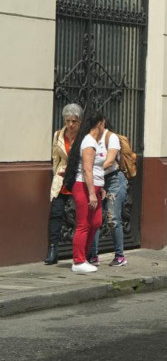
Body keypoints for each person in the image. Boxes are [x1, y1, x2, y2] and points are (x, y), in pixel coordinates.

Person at [61, 110, 114, 274]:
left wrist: (100, 188)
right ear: (99, 124)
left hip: (94, 187)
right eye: (103, 124)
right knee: (83, 224)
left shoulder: (94, 141)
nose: (104, 127)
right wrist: (91, 193)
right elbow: (87, 168)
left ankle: (84, 256)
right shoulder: (89, 142)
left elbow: (96, 169)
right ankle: (78, 261)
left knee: (96, 222)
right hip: (83, 187)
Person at [44, 103, 83, 265]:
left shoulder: (84, 137)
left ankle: (82, 252)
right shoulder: (58, 135)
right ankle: (53, 249)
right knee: (56, 214)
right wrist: (57, 176)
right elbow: (56, 159)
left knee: (81, 216)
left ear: (79, 121)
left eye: (74, 121)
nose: (70, 125)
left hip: (78, 178)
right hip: (61, 180)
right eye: (68, 121)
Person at [88, 122, 129, 267]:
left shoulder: (110, 137)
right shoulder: (90, 139)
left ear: (101, 123)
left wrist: (91, 169)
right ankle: (93, 255)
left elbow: (110, 160)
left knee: (113, 218)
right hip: (97, 180)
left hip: (114, 180)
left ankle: (120, 256)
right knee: (95, 219)